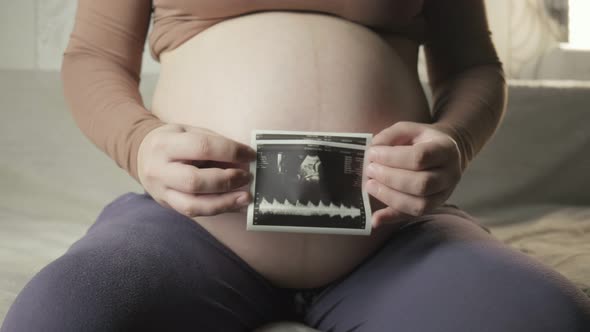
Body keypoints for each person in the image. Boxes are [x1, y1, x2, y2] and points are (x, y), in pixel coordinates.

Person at [2, 0, 590, 331]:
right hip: (189, 231)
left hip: (390, 239)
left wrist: (453, 141)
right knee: (56, 320)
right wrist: (139, 143)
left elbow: (473, 68)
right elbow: (95, 57)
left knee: (551, 319)